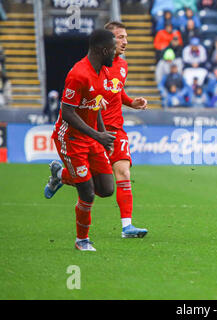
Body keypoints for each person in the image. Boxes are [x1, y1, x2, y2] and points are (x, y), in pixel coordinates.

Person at [43, 29, 118, 251]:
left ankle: (60, 175)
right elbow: (67, 113)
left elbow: (95, 107)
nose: (115, 53)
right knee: (86, 191)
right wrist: (98, 135)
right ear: (103, 50)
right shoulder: (78, 74)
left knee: (105, 189)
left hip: (92, 137)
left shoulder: (103, 72)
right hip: (71, 138)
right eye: (113, 49)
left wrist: (104, 137)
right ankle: (81, 241)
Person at [101, 21, 149, 238]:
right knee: (93, 182)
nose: (125, 41)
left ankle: (127, 227)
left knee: (123, 172)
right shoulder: (93, 65)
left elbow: (116, 91)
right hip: (93, 129)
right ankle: (60, 175)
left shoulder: (122, 65)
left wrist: (132, 103)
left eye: (126, 37)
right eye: (120, 37)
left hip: (116, 129)